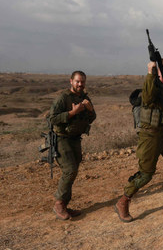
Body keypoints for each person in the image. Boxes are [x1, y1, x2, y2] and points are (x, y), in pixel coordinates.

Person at [114, 58, 163, 222]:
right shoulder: (153, 87)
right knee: (146, 174)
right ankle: (123, 202)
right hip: (150, 136)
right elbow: (148, 98)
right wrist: (150, 73)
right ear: (161, 71)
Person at [47, 70, 96, 220]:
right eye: (77, 81)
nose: (80, 84)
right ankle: (59, 204)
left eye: (82, 82)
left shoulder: (84, 98)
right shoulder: (63, 98)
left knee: (73, 171)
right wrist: (72, 113)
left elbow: (92, 118)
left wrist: (90, 109)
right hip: (62, 139)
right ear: (71, 81)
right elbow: (52, 119)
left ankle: (65, 205)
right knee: (70, 170)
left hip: (75, 139)